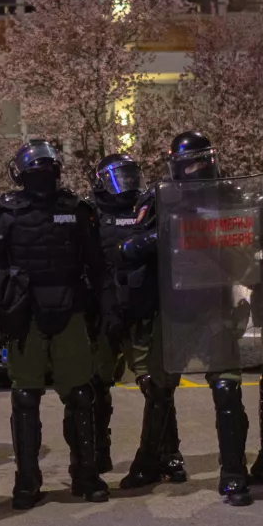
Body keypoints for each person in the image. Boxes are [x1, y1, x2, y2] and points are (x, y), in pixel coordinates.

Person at [0, 139, 112, 509]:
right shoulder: (8, 213)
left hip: (68, 309)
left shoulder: (75, 210)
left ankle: (84, 473)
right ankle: (29, 479)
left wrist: (109, 308)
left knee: (78, 394)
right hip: (25, 313)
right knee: (27, 396)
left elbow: (98, 266)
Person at [121, 131, 262, 506]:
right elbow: (129, 247)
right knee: (158, 388)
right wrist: (164, 234)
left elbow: (252, 244)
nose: (195, 170)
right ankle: (150, 462)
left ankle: (234, 473)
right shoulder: (161, 198)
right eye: (189, 164)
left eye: (201, 161)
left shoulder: (229, 197)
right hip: (174, 309)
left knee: (227, 388)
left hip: (216, 306)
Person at [90, 154, 187, 484]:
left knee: (155, 384)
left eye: (131, 176)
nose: (127, 184)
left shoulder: (149, 208)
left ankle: (168, 453)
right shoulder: (92, 214)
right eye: (119, 177)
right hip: (105, 310)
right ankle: (98, 451)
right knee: (96, 382)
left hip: (143, 308)